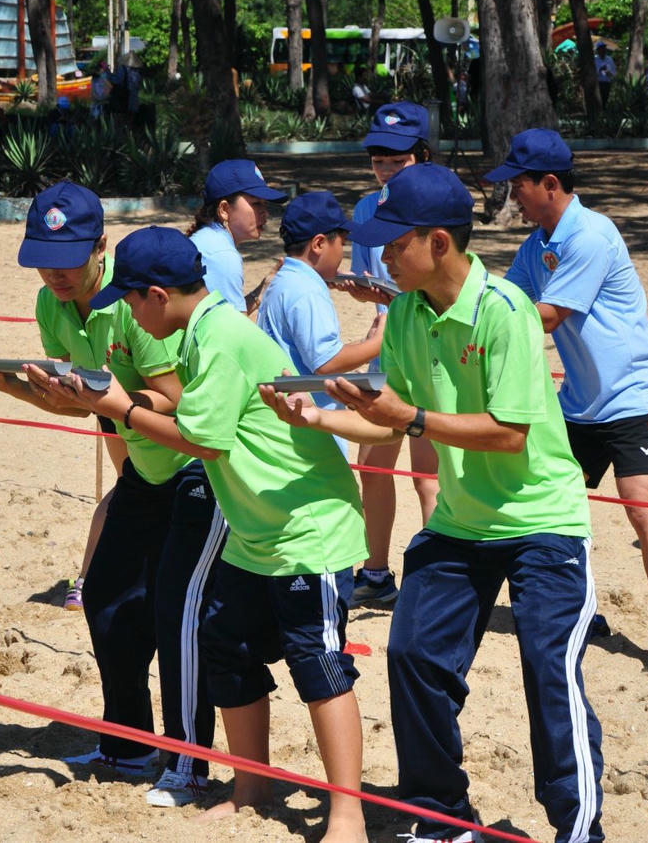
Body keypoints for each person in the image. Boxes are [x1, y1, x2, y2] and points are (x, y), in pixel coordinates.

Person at [260, 162, 602, 843]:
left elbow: (508, 433)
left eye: (394, 244)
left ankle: (577, 828)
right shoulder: (409, 314)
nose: (381, 259)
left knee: (549, 673)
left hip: (544, 523)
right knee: (413, 655)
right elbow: (389, 423)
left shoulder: (504, 310)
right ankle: (442, 816)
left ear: (438, 242)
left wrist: (410, 417)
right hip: (460, 523)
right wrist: (317, 417)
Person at [42, 226, 367, 842]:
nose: (127, 312)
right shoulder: (198, 334)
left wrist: (120, 408)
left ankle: (347, 816)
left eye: (130, 299)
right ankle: (251, 789)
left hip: (307, 531)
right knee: (226, 647)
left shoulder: (218, 337)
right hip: (253, 530)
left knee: (319, 665)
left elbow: (202, 441)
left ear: (158, 296)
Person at [0, 182, 226, 806]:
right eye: (42, 259)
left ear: (101, 247)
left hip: (193, 471)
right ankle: (129, 745)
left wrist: (109, 401)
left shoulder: (132, 304)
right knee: (106, 597)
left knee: (176, 616)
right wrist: (7, 386)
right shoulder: (50, 304)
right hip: (144, 472)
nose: (54, 272)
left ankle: (189, 762)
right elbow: (78, 405)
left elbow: (177, 402)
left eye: (67, 258)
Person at [488, 128, 648, 675]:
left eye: (518, 185)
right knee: (554, 504)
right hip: (577, 402)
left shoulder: (590, 236)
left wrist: (474, 315)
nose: (513, 196)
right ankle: (580, 606)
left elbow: (543, 317)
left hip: (632, 395)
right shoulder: (536, 245)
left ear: (549, 184)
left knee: (643, 505)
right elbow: (504, 303)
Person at [338, 101, 440, 606]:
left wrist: (392, 298)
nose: (386, 168)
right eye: (378, 159)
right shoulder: (365, 210)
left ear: (422, 155)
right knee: (374, 465)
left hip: (433, 351)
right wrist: (366, 295)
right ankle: (376, 573)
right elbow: (376, 285)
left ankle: (437, 579)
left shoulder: (439, 205)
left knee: (428, 473)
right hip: (389, 348)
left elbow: (441, 289)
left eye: (397, 159)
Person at [257, 191, 384, 438]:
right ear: (318, 244)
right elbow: (326, 363)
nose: (342, 253)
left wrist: (363, 344)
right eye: (342, 244)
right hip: (307, 431)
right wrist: (380, 341)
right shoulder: (306, 290)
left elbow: (311, 352)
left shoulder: (287, 279)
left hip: (291, 420)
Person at [187, 159, 286, 314]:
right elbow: (230, 328)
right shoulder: (222, 255)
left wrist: (263, 289)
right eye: (256, 204)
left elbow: (225, 320)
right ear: (224, 209)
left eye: (265, 204)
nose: (265, 213)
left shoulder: (209, 239)